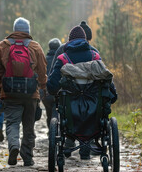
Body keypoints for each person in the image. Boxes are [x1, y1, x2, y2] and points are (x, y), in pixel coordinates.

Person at [47, 26, 117, 160]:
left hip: (71, 115)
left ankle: (67, 148)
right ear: (85, 40)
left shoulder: (63, 58)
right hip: (93, 113)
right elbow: (105, 79)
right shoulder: (95, 56)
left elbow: (52, 86)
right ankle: (89, 150)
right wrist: (113, 95)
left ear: (69, 41)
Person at [0, 17, 47, 166]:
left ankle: (14, 146)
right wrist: (43, 86)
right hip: (31, 93)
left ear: (14, 29)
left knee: (12, 123)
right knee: (29, 126)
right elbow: (42, 70)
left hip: (9, 92)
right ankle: (27, 157)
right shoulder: (35, 47)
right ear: (28, 31)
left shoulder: (2, 46)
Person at [41, 38, 61, 128]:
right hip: (59, 91)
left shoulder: (44, 60)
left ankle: (51, 131)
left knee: (49, 114)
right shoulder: (61, 60)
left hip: (46, 93)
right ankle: (57, 129)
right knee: (58, 112)